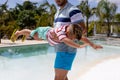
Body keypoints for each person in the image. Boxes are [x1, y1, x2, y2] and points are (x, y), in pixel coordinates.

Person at [53, 0, 103, 80]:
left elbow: (82, 30)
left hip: (66, 51)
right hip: (60, 50)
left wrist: (63, 37)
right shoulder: (57, 13)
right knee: (63, 77)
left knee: (58, 78)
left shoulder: (72, 10)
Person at [10, 23, 88, 48]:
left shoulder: (68, 31)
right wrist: (79, 46)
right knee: (32, 33)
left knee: (35, 36)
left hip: (47, 34)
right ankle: (18, 32)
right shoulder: (62, 34)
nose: (73, 39)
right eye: (73, 38)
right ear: (68, 33)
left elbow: (75, 35)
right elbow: (67, 41)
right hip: (44, 32)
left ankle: (24, 34)